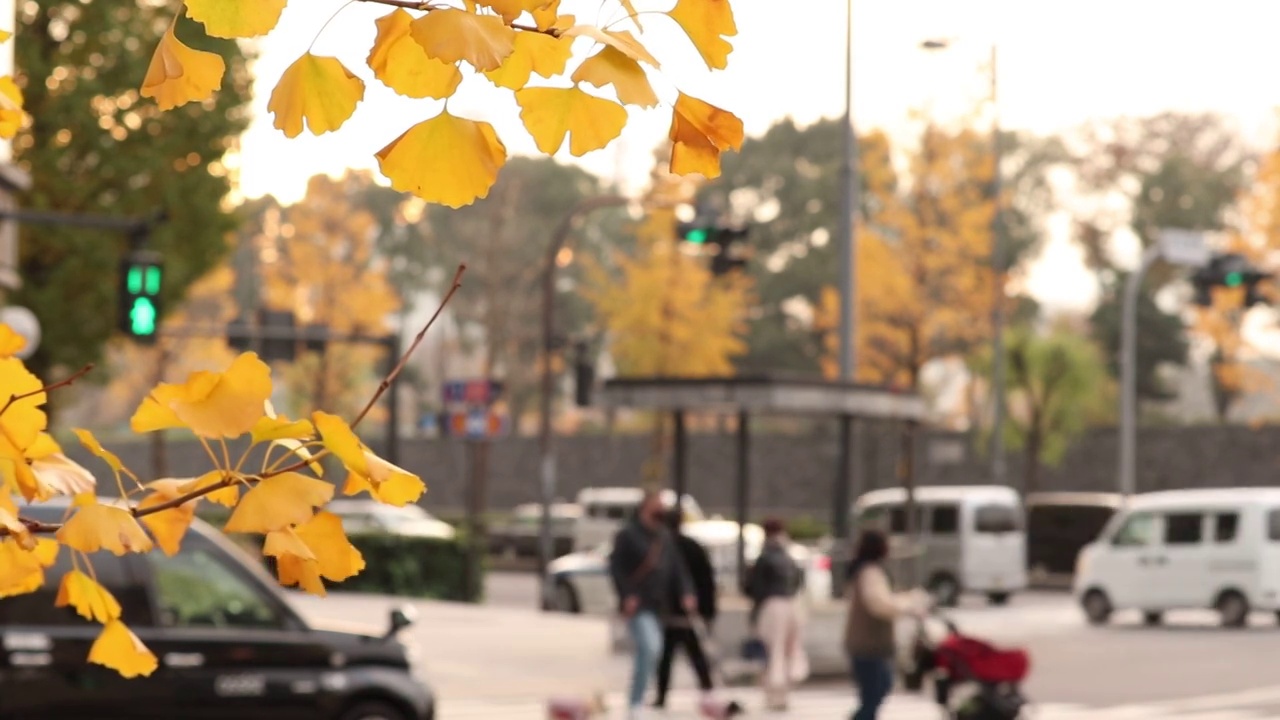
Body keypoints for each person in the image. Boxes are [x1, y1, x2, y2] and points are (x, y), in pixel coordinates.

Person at [609, 492, 696, 720]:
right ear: (645, 507)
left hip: (659, 604)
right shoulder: (628, 535)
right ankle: (636, 702)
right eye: (657, 505)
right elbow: (617, 568)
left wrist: (687, 593)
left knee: (652, 652)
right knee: (650, 648)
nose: (661, 510)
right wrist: (626, 594)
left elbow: (677, 568)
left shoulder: (663, 536)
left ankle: (638, 698)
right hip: (639, 604)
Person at [843, 529, 929, 720]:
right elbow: (880, 604)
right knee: (876, 691)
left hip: (866, 643)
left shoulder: (864, 569)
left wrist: (907, 600)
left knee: (874, 693)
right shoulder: (870, 571)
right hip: (868, 644)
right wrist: (908, 605)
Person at [653, 508, 717, 709]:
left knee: (667, 656)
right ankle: (707, 690)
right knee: (694, 654)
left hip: (670, 611)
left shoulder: (662, 547)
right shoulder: (692, 547)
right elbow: (707, 580)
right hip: (689, 610)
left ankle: (662, 696)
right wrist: (708, 610)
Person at [745, 518, 805, 711]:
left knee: (773, 652)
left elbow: (754, 587)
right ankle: (784, 693)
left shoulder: (765, 556)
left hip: (771, 605)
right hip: (790, 604)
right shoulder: (789, 556)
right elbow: (798, 582)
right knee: (788, 651)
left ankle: (773, 693)